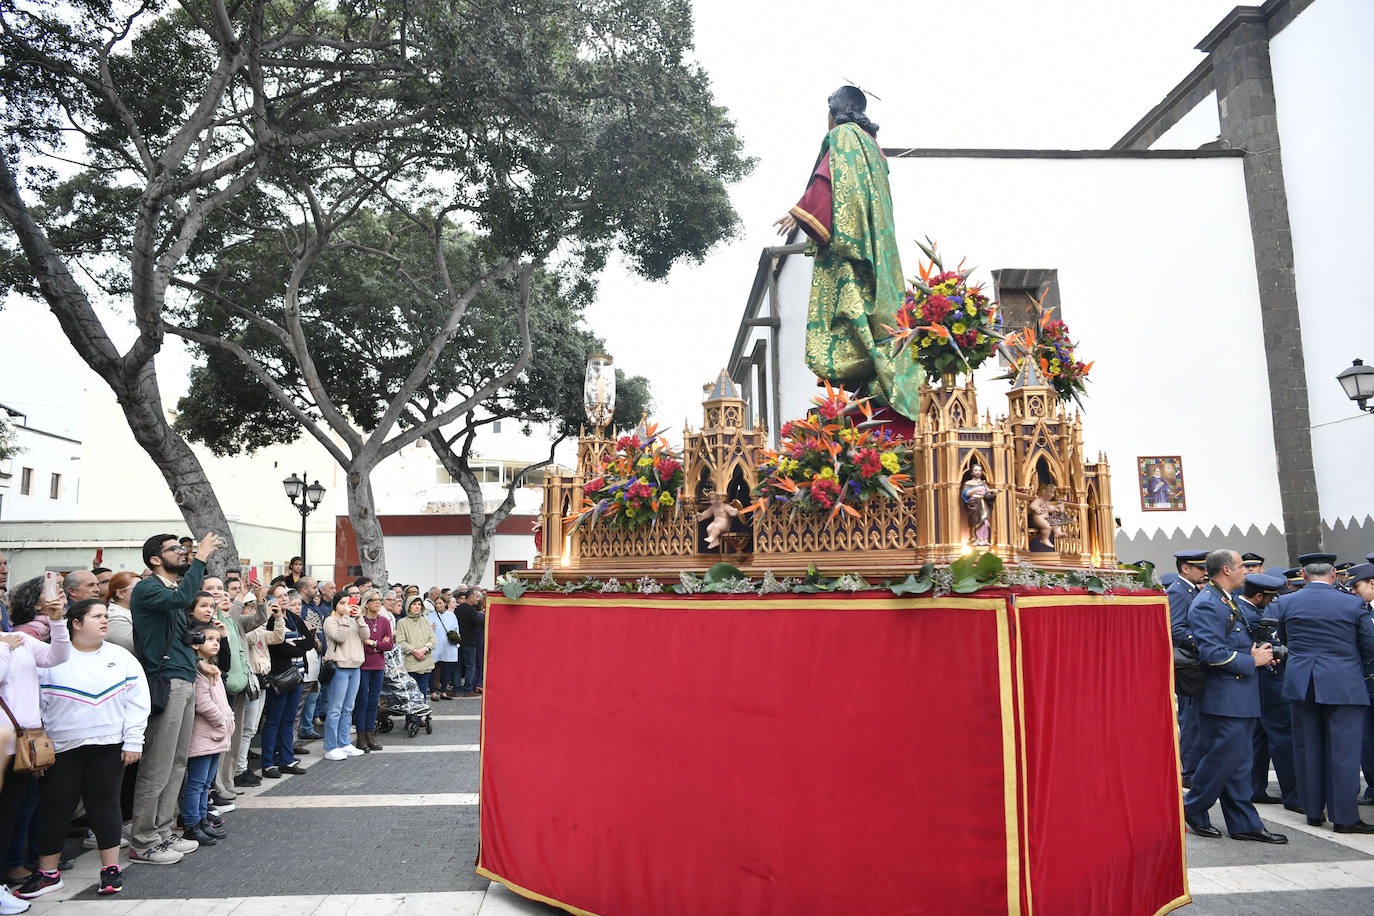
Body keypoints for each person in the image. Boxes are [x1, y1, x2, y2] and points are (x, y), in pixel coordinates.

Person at [774, 86, 921, 418]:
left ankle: (872, 381)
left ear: (837, 110)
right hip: (881, 248)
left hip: (853, 246)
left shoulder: (842, 137)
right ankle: (875, 383)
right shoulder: (874, 148)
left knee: (848, 311)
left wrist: (799, 212)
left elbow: (830, 182)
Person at [23, 599, 146, 899]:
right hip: (62, 747)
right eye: (96, 617)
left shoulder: (121, 657)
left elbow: (137, 701)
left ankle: (110, 871)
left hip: (108, 745)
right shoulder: (50, 658)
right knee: (56, 807)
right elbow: (34, 702)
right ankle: (48, 873)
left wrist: (133, 740)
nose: (104, 621)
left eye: (106, 616)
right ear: (75, 623)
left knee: (105, 807)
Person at [1181, 549, 1286, 844]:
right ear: (1226, 569)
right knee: (1222, 761)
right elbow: (1212, 653)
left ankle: (1243, 823)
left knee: (1239, 763)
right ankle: (1191, 808)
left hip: (1237, 695)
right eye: (1241, 566)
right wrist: (1251, 661)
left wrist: (1261, 655)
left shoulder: (1222, 598)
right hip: (1223, 697)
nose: (1246, 571)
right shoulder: (1208, 604)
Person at [128, 531, 220, 865]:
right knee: (158, 765)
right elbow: (183, 600)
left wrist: (198, 659)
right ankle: (143, 839)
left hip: (184, 677)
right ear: (155, 559)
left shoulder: (168, 590)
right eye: (174, 550)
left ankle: (164, 832)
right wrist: (202, 557)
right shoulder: (148, 587)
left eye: (184, 550)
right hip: (166, 681)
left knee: (178, 762)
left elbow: (180, 630)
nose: (182, 553)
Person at [1277, 552, 1374, 833]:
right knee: (1343, 752)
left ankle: (1312, 811)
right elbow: (1369, 646)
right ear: (1334, 575)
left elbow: (1285, 639)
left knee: (1307, 747)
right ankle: (1344, 817)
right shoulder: (1352, 603)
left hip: (1301, 681)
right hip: (1343, 683)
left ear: (1304, 575)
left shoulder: (1285, 602)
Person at [0, 585, 69, 904]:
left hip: (25, 744)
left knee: (14, 812)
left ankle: (7, 877)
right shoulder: (9, 644)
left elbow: (57, 657)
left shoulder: (20, 639)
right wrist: (3, 649)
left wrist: (57, 623)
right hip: (4, 744)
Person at [1236, 574, 1297, 810]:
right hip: (1269, 685)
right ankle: (1294, 795)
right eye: (1270, 598)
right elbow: (1269, 648)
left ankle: (1255, 788)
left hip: (1255, 686)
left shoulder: (1239, 607)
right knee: (1283, 740)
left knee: (1258, 739)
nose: (1272, 602)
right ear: (1259, 596)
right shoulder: (1253, 615)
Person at [204, 577, 265, 804]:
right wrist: (239, 597)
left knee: (234, 738)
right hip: (221, 685)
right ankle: (214, 788)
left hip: (239, 685)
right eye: (213, 590)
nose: (220, 594)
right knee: (219, 740)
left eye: (222, 590)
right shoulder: (213, 619)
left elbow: (260, 617)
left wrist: (259, 598)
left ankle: (227, 782)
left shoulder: (233, 620)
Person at [181, 623, 230, 846]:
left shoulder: (213, 669)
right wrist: (222, 722)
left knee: (206, 782)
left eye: (217, 640)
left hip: (217, 735)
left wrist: (229, 720)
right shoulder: (200, 673)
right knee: (197, 781)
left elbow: (221, 701)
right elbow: (204, 704)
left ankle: (202, 819)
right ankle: (192, 823)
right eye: (209, 639)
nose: (215, 643)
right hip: (205, 734)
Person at [1168, 548, 1209, 788]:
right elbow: (1177, 629)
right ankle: (1190, 771)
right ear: (1186, 568)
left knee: (1196, 718)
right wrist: (1205, 641)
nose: (1205, 572)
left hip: (1194, 661)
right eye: (1200, 568)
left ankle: (1195, 768)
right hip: (1188, 663)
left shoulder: (1189, 590)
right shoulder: (1179, 591)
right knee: (1191, 720)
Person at [259, 596, 310, 780]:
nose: (284, 599)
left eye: (285, 596)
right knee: (274, 720)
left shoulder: (295, 618)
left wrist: (296, 646)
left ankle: (286, 759)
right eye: (279, 596)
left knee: (289, 719)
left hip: (297, 675)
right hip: (279, 676)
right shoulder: (271, 620)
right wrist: (297, 646)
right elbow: (278, 648)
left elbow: (309, 643)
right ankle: (267, 763)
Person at [321, 593, 367, 761]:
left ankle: (344, 742)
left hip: (356, 667)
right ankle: (331, 746)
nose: (346, 606)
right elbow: (339, 637)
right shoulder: (330, 621)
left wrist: (360, 618)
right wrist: (347, 617)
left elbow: (366, 636)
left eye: (349, 603)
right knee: (335, 708)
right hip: (339, 667)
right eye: (342, 603)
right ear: (335, 605)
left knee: (348, 708)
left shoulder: (354, 620)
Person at [1344, 563, 1374, 806]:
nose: (1353, 591)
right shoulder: (1360, 611)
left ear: (1372, 583)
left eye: (1356, 586)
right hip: (1366, 685)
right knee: (1367, 739)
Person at [354, 589, 393, 752]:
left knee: (373, 701)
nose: (377, 602)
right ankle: (361, 737)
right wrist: (377, 644)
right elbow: (361, 643)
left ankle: (370, 735)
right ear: (367, 603)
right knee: (362, 701)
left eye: (379, 599)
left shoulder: (384, 621)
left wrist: (373, 643)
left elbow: (389, 645)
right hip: (363, 665)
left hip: (378, 666)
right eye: (374, 600)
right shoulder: (360, 620)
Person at [396, 597, 436, 700]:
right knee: (411, 693)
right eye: (414, 604)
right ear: (408, 607)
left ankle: (421, 714)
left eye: (419, 604)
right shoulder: (402, 622)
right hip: (410, 663)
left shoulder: (425, 621)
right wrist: (414, 651)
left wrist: (424, 649)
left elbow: (433, 639)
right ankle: (412, 716)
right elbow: (400, 641)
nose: (417, 606)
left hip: (425, 661)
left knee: (423, 691)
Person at [428, 597, 461, 701]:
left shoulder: (451, 615)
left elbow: (456, 629)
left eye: (440, 603)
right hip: (435, 646)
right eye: (436, 603)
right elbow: (426, 631)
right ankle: (433, 692)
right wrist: (430, 628)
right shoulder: (430, 616)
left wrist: (456, 639)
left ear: (445, 603)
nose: (438, 605)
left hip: (448, 646)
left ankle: (444, 691)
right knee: (432, 669)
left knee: (447, 669)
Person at [101, 571, 138, 655]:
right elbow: (138, 647)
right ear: (120, 593)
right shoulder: (115, 618)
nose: (146, 592)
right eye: (138, 589)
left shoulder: (134, 611)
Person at [455, 589, 483, 697]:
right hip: (469, 642)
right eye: (476, 597)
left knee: (458, 666)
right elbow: (479, 623)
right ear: (470, 597)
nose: (478, 599)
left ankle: (456, 689)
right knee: (470, 666)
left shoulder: (458, 609)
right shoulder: (470, 610)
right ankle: (468, 689)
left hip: (458, 642)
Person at [960, 466, 994, 547]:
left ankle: (984, 539)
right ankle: (975, 539)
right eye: (975, 470)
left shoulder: (983, 483)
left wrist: (992, 493)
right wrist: (975, 490)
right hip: (973, 505)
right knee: (975, 521)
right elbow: (964, 494)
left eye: (979, 470)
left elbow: (988, 494)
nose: (978, 472)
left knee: (985, 522)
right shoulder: (968, 483)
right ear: (972, 472)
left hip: (983, 504)